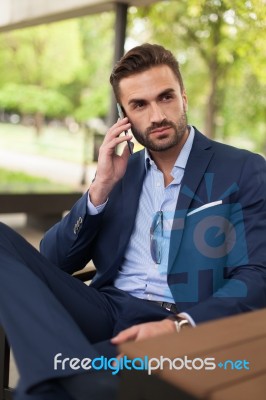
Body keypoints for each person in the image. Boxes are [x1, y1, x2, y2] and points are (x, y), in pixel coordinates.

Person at [0, 43, 266, 400]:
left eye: (166, 97)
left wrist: (180, 327)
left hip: (181, 319)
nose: (157, 115)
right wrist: (100, 187)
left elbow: (256, 274)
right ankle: (75, 373)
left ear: (184, 98)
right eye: (139, 105)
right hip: (105, 307)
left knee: (47, 393)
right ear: (124, 115)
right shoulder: (119, 174)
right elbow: (51, 260)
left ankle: (65, 374)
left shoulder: (245, 169)